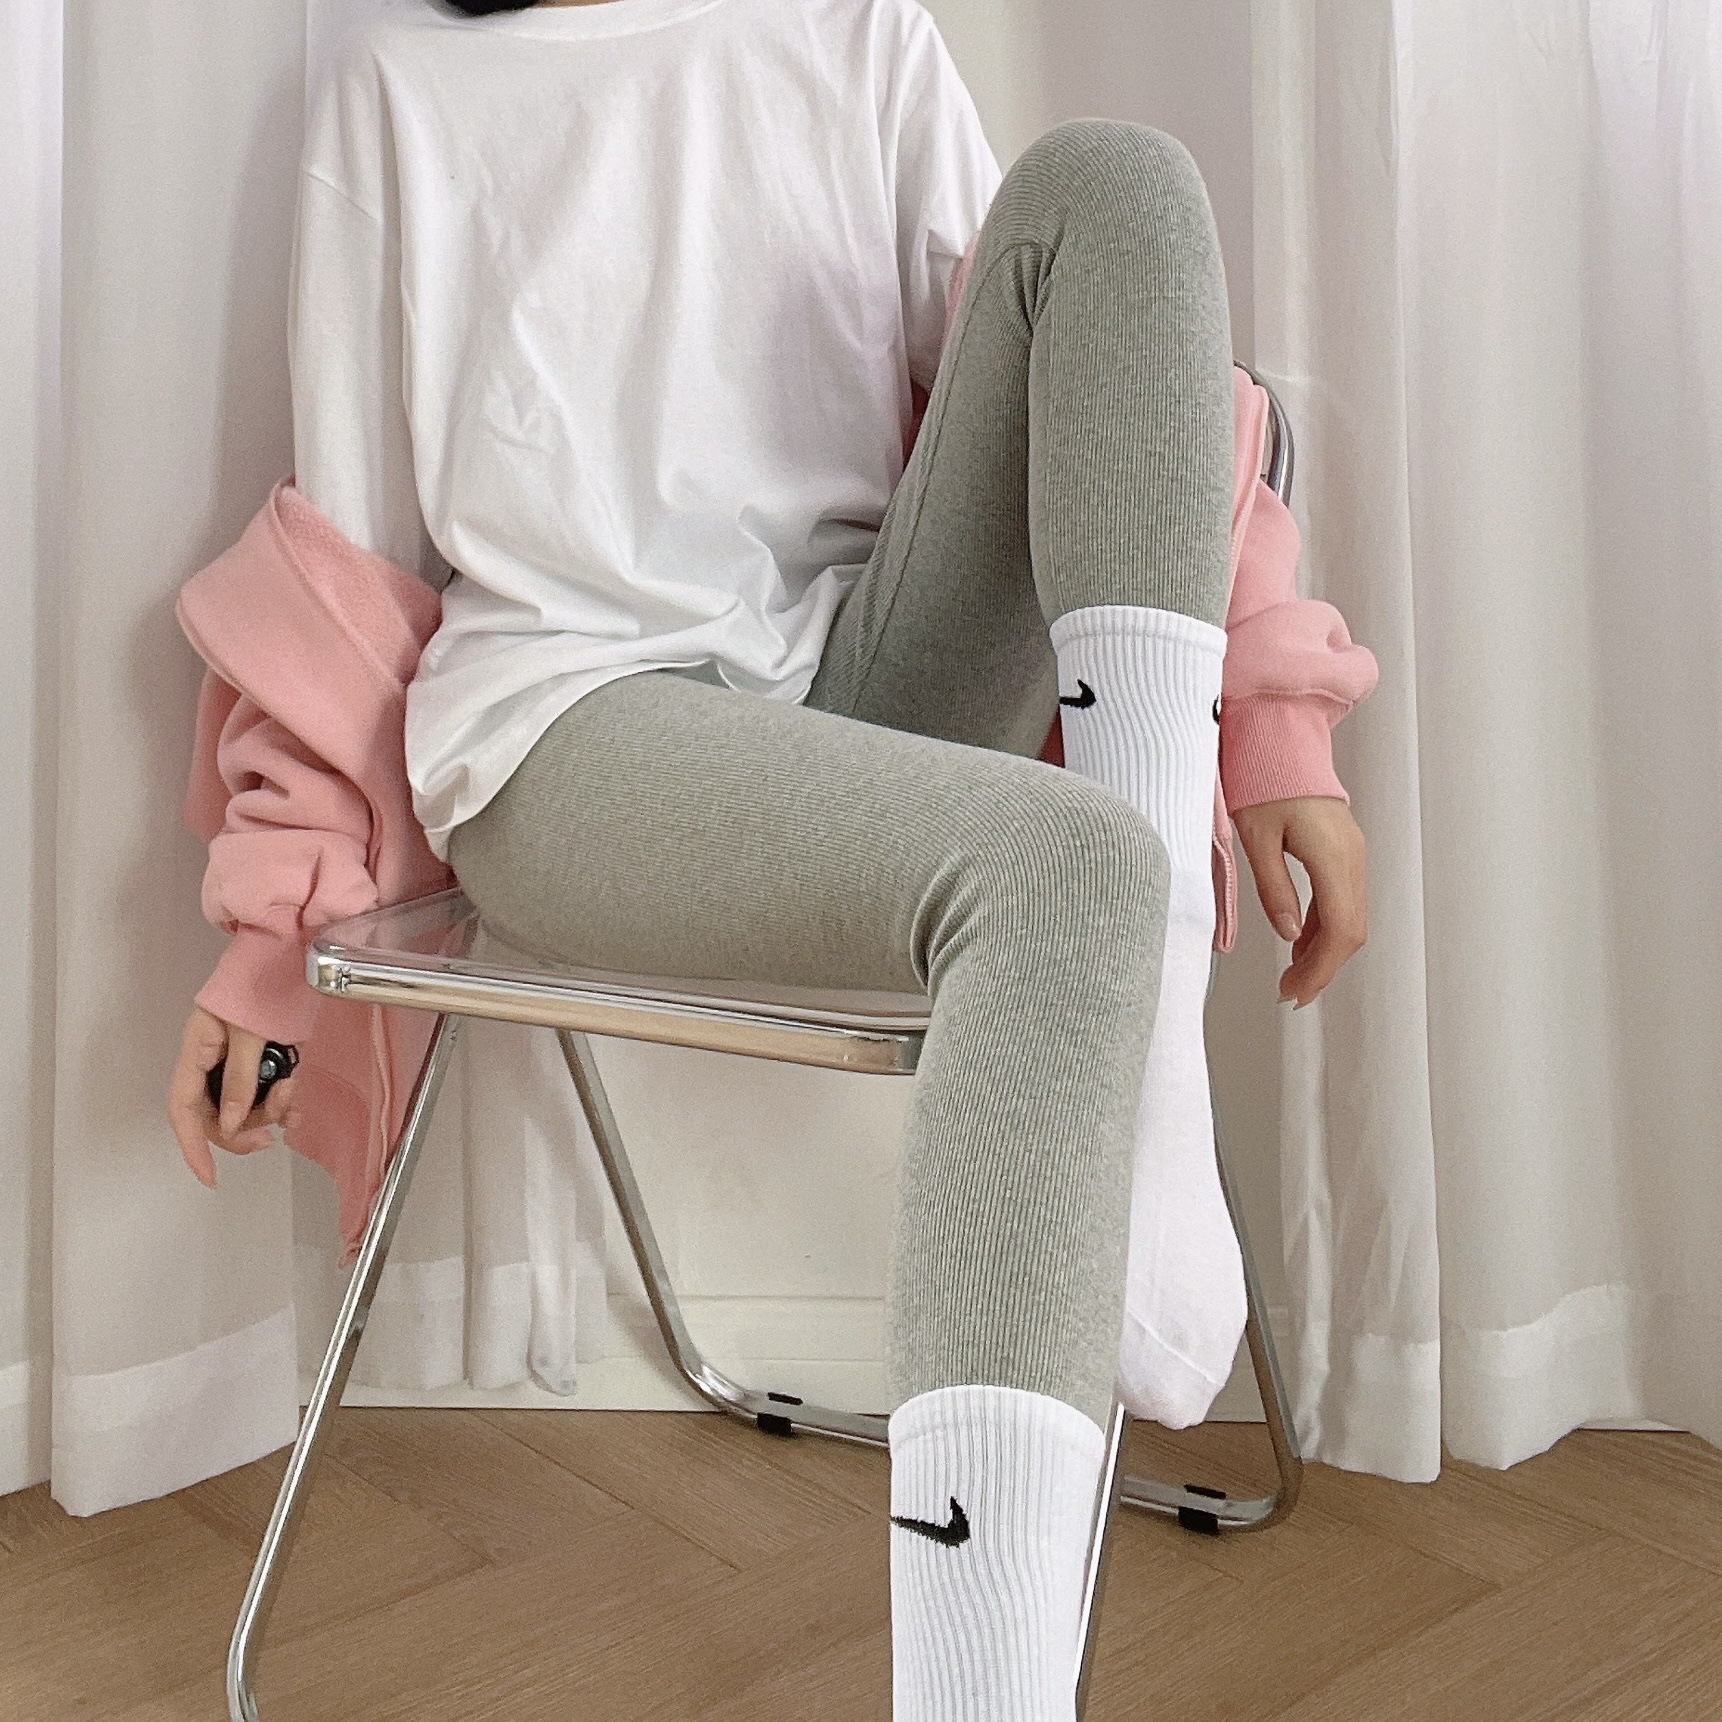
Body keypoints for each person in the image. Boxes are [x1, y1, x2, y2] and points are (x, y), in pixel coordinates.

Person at [167, 1, 1372, 1715]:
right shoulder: (399, 97)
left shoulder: (852, 30)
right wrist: (274, 940)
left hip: (872, 668)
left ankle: (1151, 1046)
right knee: (1066, 870)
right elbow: (345, 575)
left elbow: (1112, 401)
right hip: (576, 737)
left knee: (1117, 187)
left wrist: (1265, 726)